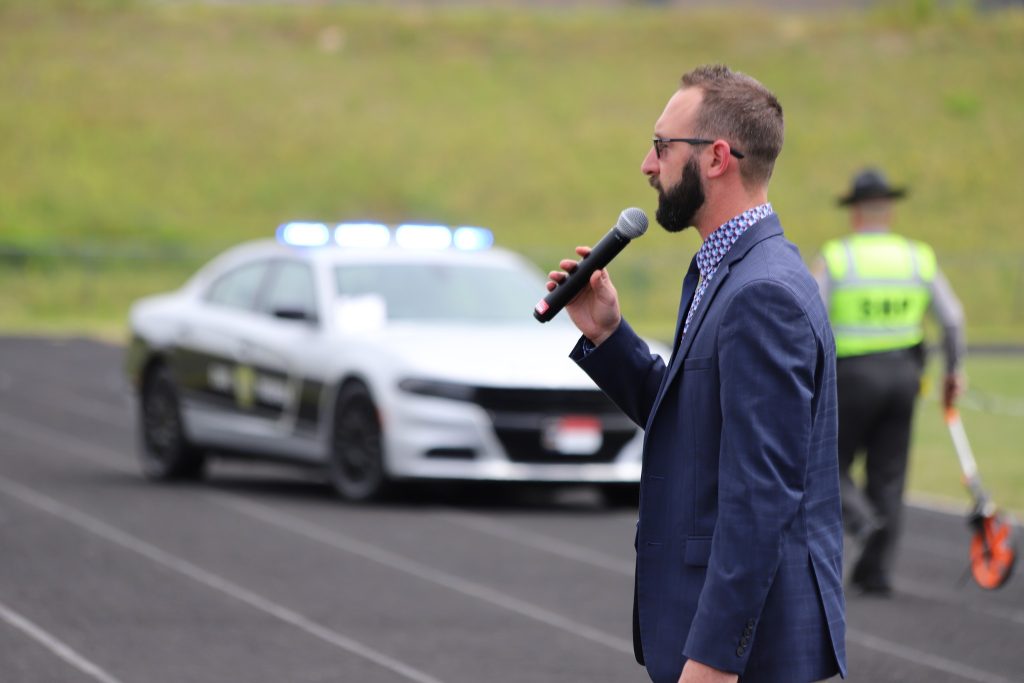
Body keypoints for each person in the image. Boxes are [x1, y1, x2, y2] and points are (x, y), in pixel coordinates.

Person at [546, 65, 846, 683]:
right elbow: (696, 421)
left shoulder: (761, 292)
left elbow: (760, 499)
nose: (647, 166)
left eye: (661, 146)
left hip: (747, 658)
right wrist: (608, 336)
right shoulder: (729, 270)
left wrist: (713, 662)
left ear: (715, 158)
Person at [812, 168, 966, 597]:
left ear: (855, 212)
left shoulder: (838, 257)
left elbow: (811, 317)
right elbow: (953, 320)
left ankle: (861, 519)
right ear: (889, 211)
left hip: (851, 376)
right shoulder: (918, 258)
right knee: (889, 475)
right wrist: (954, 373)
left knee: (823, 460)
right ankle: (875, 572)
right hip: (904, 376)